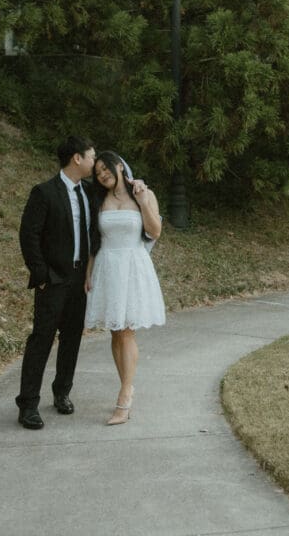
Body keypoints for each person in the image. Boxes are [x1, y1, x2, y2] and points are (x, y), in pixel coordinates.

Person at [15, 135, 96, 430]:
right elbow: (29, 235)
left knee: (72, 338)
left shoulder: (90, 192)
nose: (94, 161)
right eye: (91, 156)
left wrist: (138, 185)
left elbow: (120, 183)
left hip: (79, 280)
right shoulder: (44, 192)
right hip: (54, 279)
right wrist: (42, 276)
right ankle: (28, 404)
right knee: (42, 339)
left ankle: (62, 392)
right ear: (77, 158)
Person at [85, 151, 165, 425]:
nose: (102, 175)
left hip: (133, 266)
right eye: (97, 173)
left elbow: (155, 231)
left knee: (128, 330)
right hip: (108, 267)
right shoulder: (98, 200)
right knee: (116, 332)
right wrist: (89, 274)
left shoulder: (143, 193)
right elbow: (94, 241)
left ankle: (123, 399)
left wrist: (143, 202)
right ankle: (128, 386)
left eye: (105, 169)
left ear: (119, 166)